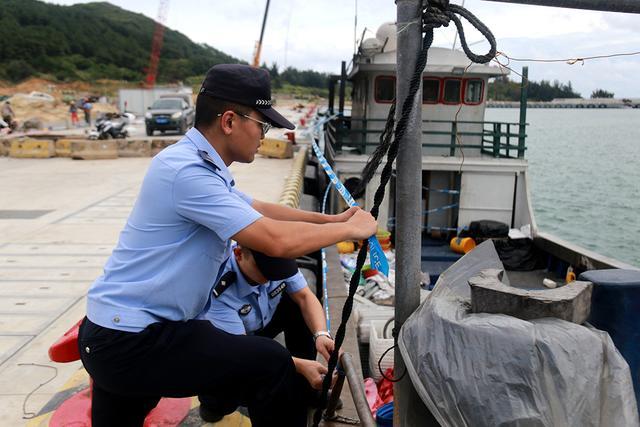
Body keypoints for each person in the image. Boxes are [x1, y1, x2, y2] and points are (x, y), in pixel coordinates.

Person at [78, 63, 377, 427]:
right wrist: (351, 231)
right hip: (133, 340)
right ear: (230, 121)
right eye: (262, 125)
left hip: (121, 333)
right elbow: (274, 239)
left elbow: (262, 210)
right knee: (270, 363)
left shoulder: (202, 167)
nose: (263, 136)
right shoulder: (188, 173)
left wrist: (332, 220)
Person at [197, 244, 334, 422]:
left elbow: (305, 297)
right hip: (229, 343)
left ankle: (306, 389)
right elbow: (244, 351)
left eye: (278, 270)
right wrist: (298, 365)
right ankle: (213, 402)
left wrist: (321, 334)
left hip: (260, 322)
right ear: (239, 254)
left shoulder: (278, 257)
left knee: (297, 309)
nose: (272, 278)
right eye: (266, 271)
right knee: (227, 391)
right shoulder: (218, 289)